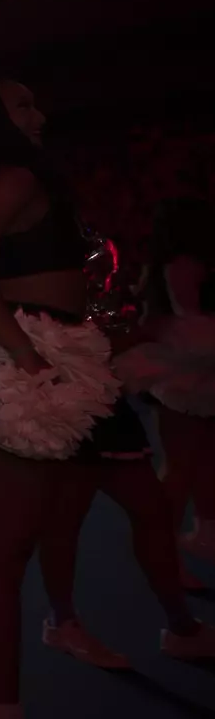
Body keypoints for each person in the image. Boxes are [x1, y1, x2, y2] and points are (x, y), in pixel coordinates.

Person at [0, 78, 214, 719]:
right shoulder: (9, 176)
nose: (39, 113)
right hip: (16, 372)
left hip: (45, 363)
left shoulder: (9, 180)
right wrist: (26, 353)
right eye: (21, 105)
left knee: (14, 552)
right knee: (0, 560)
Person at [126, 197, 215, 564]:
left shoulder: (169, 265)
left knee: (195, 463)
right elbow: (192, 326)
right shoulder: (182, 265)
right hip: (185, 375)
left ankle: (203, 534)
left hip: (190, 375)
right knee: (182, 467)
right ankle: (163, 553)